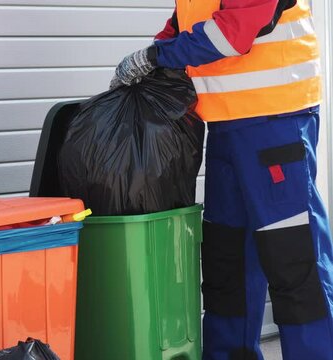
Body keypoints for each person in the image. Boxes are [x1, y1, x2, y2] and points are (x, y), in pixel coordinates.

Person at [110, 1, 333, 359]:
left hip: (275, 122)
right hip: (228, 126)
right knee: (226, 257)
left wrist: (156, 55)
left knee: (294, 257)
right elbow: (189, 21)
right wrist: (153, 54)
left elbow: (234, 31)